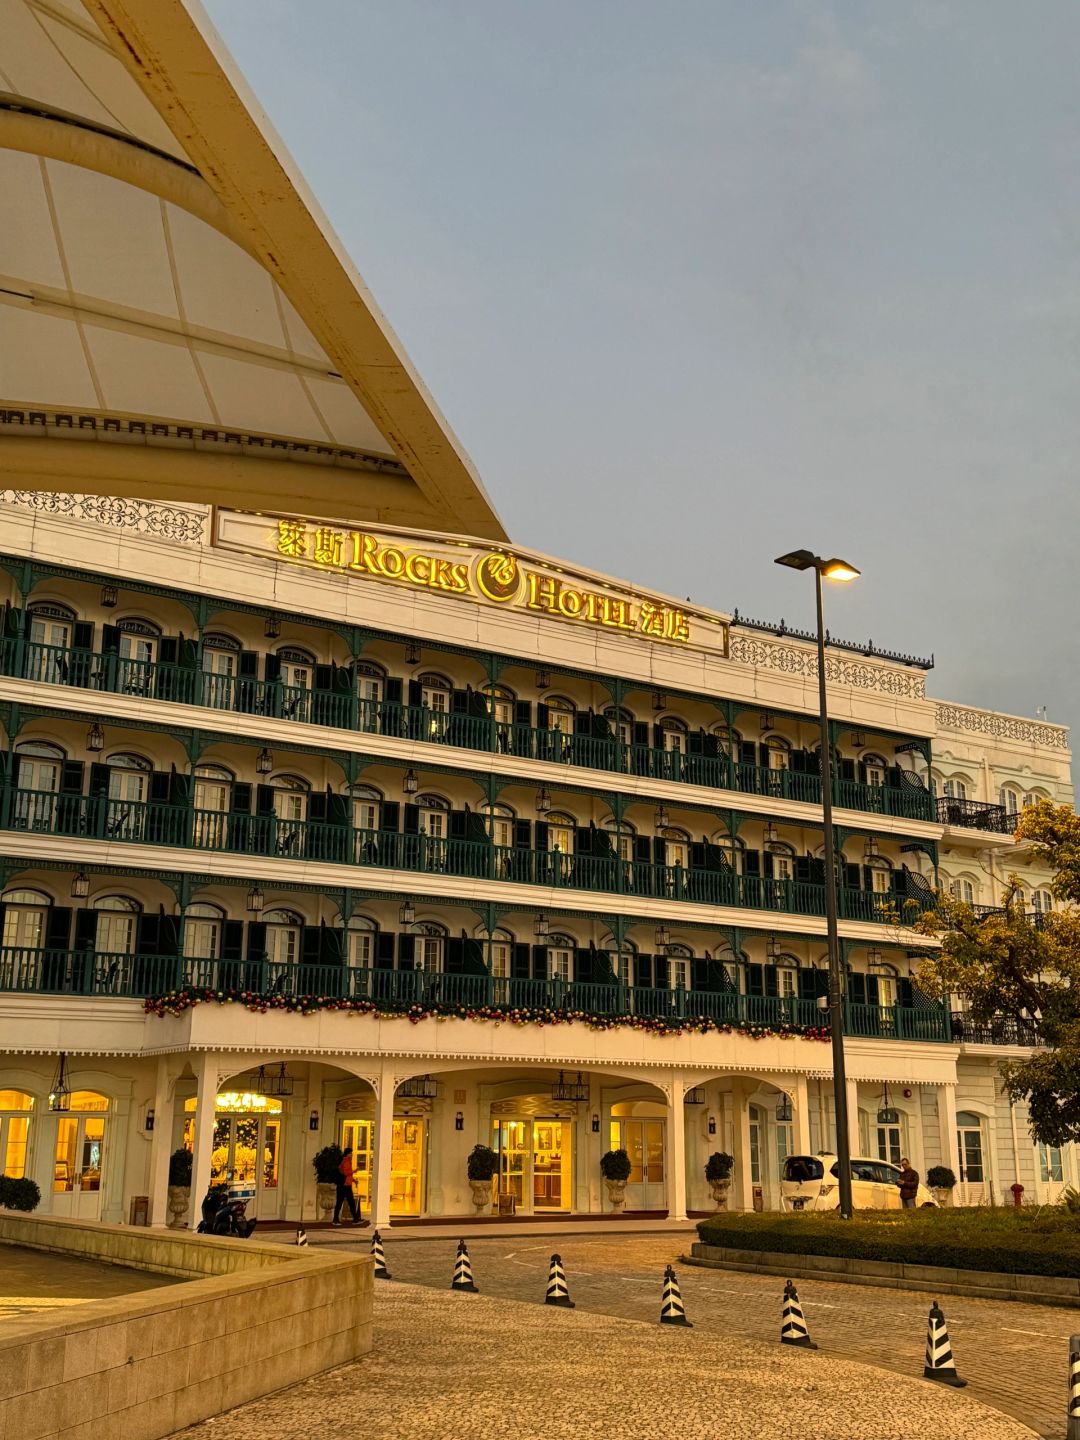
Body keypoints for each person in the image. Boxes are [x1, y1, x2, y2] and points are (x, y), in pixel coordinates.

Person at [333, 1146, 361, 1225]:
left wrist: (354, 1180)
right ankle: (354, 1219)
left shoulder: (345, 1161)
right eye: (350, 1153)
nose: (351, 1155)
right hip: (345, 1185)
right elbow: (346, 1173)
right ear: (347, 1154)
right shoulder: (346, 1161)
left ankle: (354, 1218)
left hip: (345, 1185)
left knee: (344, 1202)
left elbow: (347, 1175)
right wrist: (354, 1171)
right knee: (348, 1202)